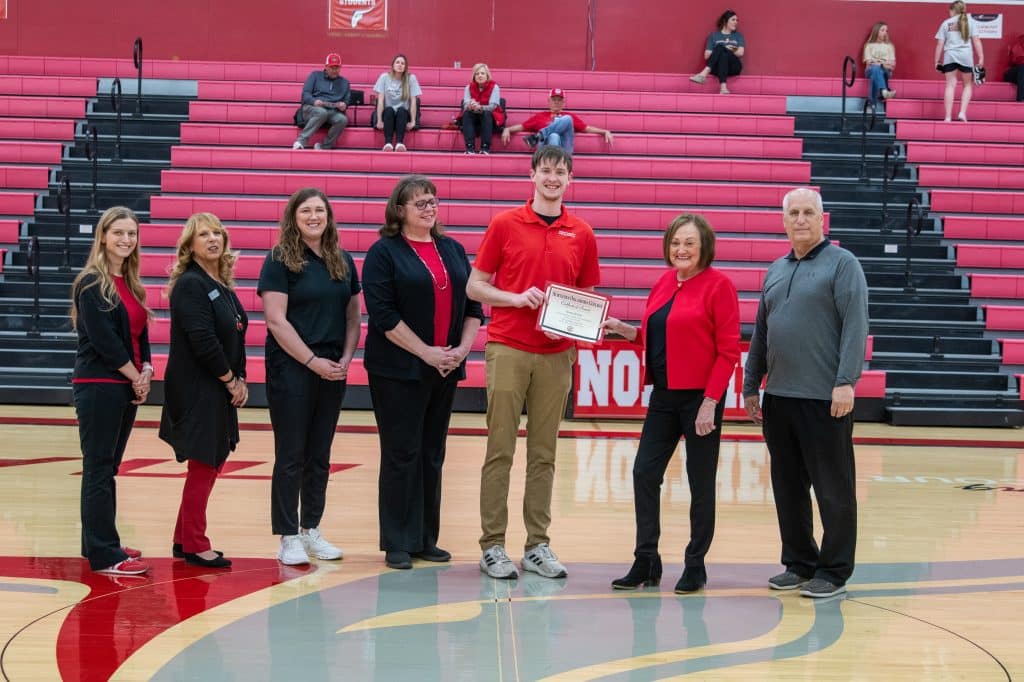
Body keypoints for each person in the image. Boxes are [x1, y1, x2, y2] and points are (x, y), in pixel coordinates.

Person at [467, 146, 601, 580]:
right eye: (545, 171)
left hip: (557, 356)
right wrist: (515, 298)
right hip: (508, 346)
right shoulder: (504, 223)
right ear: (532, 175)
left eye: (560, 172)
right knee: (500, 450)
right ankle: (492, 545)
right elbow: (475, 286)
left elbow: (585, 301)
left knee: (544, 455)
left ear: (570, 179)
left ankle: (537, 545)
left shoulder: (582, 232)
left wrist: (575, 327)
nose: (552, 178)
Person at [742, 187, 869, 599]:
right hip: (779, 397)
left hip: (825, 399)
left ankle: (833, 571)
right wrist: (750, 385)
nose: (800, 219)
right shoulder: (775, 269)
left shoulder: (844, 265)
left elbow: (855, 326)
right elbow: (761, 332)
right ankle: (798, 562)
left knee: (833, 488)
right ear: (783, 221)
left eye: (807, 212)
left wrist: (846, 381)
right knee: (788, 487)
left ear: (821, 219)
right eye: (793, 213)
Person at [603, 214, 740, 594]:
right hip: (663, 396)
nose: (681, 249)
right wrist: (626, 330)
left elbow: (728, 352)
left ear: (704, 247)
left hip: (701, 398)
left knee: (700, 484)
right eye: (676, 242)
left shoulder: (720, 286)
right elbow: (657, 334)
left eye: (689, 243)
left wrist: (711, 402)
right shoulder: (663, 282)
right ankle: (647, 559)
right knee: (644, 473)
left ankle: (695, 564)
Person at [362, 175, 484, 570]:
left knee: (432, 454)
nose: (429, 208)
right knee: (401, 453)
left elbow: (473, 309)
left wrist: (460, 351)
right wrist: (426, 353)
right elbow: (384, 317)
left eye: (432, 201)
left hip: (445, 368)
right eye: (420, 203)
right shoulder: (384, 252)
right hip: (397, 370)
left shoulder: (452, 248)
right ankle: (397, 540)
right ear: (400, 210)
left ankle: (424, 538)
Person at [258, 187, 361, 565]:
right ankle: (287, 536)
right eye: (306, 211)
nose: (314, 217)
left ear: (329, 216)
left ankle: (310, 529)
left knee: (320, 454)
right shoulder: (279, 259)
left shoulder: (343, 260)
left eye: (320, 210)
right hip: (292, 368)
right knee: (291, 454)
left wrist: (346, 358)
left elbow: (353, 317)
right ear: (293, 218)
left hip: (332, 369)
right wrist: (312, 360)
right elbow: (276, 321)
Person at [159, 213, 248, 569]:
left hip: (216, 388)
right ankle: (196, 544)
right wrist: (231, 381)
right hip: (199, 390)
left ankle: (183, 538)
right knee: (204, 465)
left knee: (209, 464)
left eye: (217, 233)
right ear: (189, 245)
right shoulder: (191, 284)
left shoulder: (219, 283)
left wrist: (236, 379)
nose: (212, 239)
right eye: (203, 235)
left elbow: (232, 335)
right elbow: (203, 341)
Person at [70, 206, 152, 576]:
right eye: (118, 232)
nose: (125, 239)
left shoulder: (132, 283)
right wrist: (136, 375)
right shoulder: (91, 282)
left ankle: (100, 542)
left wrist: (147, 369)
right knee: (99, 469)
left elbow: (140, 336)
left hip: (125, 384)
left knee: (107, 469)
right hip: (100, 384)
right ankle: (105, 555)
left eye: (131, 233)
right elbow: (105, 342)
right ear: (103, 236)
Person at [500, 88, 613, 156]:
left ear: (564, 103)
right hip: (544, 153)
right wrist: (507, 129)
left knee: (567, 119)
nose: (557, 103)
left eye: (560, 100)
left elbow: (587, 128)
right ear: (549, 102)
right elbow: (521, 127)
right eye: (554, 100)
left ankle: (539, 135)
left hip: (564, 151)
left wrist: (604, 132)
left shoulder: (568, 117)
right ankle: (543, 140)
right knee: (553, 135)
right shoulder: (540, 117)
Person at [934, 0, 984, 122]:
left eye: (949, 11)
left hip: (950, 55)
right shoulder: (970, 22)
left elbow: (940, 44)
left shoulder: (946, 23)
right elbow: (977, 41)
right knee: (967, 85)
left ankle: (948, 117)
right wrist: (981, 57)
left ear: (952, 10)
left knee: (950, 85)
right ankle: (962, 113)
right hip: (965, 55)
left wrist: (936, 61)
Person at [293, 53, 352, 151]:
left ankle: (324, 146)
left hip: (332, 110)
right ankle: (300, 141)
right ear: (326, 67)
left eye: (337, 67)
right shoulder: (315, 75)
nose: (334, 70)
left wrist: (344, 105)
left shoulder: (345, 82)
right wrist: (314, 101)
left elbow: (347, 100)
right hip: (312, 108)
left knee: (342, 119)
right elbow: (305, 94)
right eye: (332, 67)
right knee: (321, 112)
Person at [689, 10, 746, 95]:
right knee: (721, 51)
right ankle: (723, 88)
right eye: (733, 20)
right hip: (717, 68)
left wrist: (727, 49)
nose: (736, 22)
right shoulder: (714, 36)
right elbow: (706, 56)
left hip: (733, 67)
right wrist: (723, 49)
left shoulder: (738, 36)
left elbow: (741, 53)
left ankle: (704, 74)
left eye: (737, 20)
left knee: (721, 48)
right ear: (725, 21)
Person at [374, 54, 422, 152]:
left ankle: (400, 143)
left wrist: (413, 121)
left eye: (403, 63)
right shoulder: (384, 77)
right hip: (388, 113)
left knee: (401, 110)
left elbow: (413, 101)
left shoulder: (411, 78)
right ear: (393, 65)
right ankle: (388, 143)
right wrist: (379, 120)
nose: (400, 65)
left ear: (405, 67)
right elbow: (380, 101)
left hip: (403, 114)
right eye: (397, 62)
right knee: (389, 110)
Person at [460, 63, 503, 155]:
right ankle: (469, 148)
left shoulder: (495, 87)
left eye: (482, 73)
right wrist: (471, 106)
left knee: (486, 113)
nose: (480, 75)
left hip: (491, 117)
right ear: (474, 76)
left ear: (487, 75)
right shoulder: (468, 87)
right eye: (477, 73)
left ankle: (485, 148)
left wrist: (479, 107)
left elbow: (492, 107)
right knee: (467, 113)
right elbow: (465, 104)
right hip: (474, 114)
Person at [863, 22, 897, 110]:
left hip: (886, 71)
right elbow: (868, 63)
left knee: (875, 71)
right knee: (875, 69)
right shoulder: (869, 45)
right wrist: (882, 63)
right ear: (876, 31)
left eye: (886, 30)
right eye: (882, 30)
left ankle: (871, 104)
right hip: (870, 70)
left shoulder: (889, 46)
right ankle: (883, 91)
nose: (885, 32)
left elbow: (892, 65)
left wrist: (878, 63)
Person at [1003, 33, 1024, 102]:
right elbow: (1018, 59)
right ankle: (1020, 100)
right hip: (1014, 73)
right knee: (1022, 68)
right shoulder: (1021, 41)